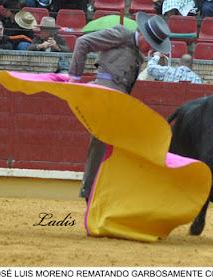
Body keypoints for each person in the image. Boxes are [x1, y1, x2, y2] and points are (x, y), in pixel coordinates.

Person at [67, 12, 171, 201]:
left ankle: (108, 189)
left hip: (119, 101)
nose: (149, 48)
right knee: (102, 140)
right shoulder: (120, 34)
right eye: (149, 42)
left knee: (119, 141)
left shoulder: (138, 53)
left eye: (153, 46)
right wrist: (74, 77)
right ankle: (90, 190)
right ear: (142, 35)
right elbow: (83, 42)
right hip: (106, 96)